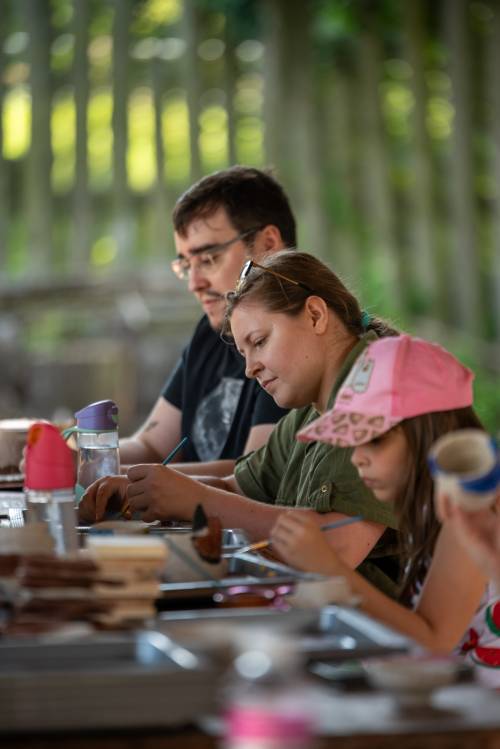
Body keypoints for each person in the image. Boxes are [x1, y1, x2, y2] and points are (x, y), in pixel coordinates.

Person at [79, 251, 403, 597]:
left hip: (399, 638)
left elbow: (336, 547)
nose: (250, 369)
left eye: (260, 342)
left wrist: (197, 500)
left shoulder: (377, 394)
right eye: (244, 354)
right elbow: (237, 489)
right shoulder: (309, 415)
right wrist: (144, 487)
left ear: (315, 314)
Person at [270, 334, 489, 657]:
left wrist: (331, 568)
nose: (357, 457)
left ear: (430, 431)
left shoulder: (470, 511)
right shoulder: (430, 509)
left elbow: (433, 643)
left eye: (375, 441)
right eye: (355, 442)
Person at [118, 166, 295, 473]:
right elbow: (152, 445)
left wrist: (128, 478)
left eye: (209, 259)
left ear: (269, 244)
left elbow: (254, 478)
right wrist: (85, 458)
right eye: (187, 265)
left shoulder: (296, 336)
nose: (194, 283)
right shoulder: (211, 330)